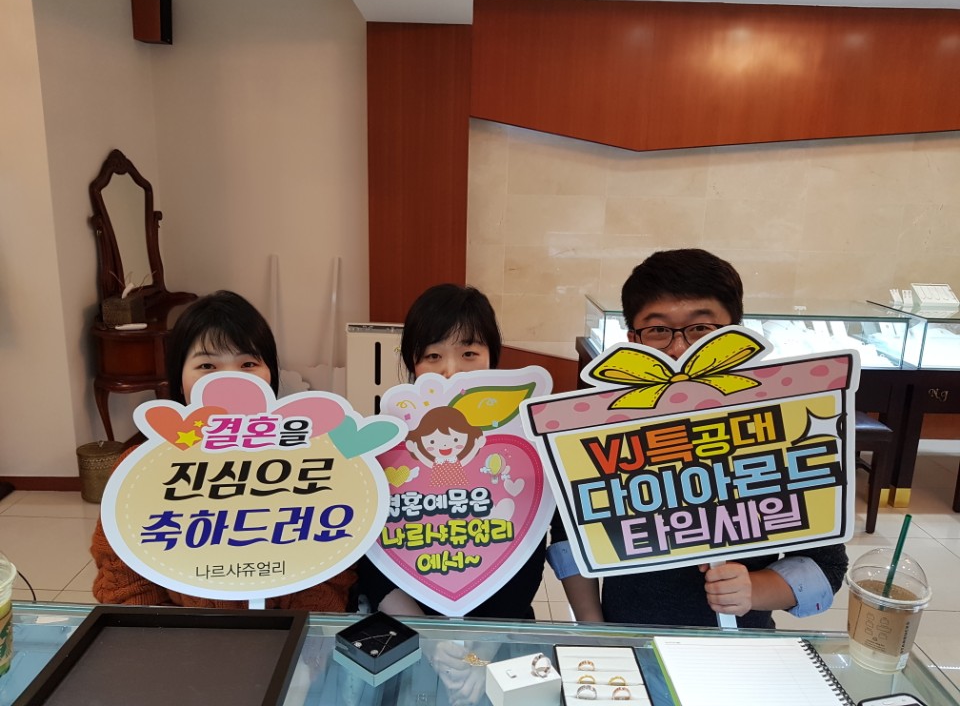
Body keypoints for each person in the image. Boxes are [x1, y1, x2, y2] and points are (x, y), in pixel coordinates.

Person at [549, 249, 849, 629]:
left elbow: (827, 566)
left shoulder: (780, 426)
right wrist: (595, 628)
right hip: (627, 636)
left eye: (701, 328)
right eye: (658, 330)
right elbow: (569, 537)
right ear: (632, 339)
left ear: (735, 330)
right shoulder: (601, 428)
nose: (679, 348)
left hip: (739, 646)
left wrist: (754, 589)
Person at [90, 290, 356, 612]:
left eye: (248, 363)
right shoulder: (138, 470)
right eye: (207, 365)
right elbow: (124, 583)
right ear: (179, 379)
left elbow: (330, 569)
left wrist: (291, 624)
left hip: (286, 629)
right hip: (185, 633)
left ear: (271, 375)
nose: (230, 380)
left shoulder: (313, 462)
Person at [359, 284, 546, 706]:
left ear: (493, 358)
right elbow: (372, 559)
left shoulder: (523, 445)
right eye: (432, 356)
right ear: (412, 362)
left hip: (499, 631)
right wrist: (430, 638)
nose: (451, 371)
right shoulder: (382, 444)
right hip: (405, 629)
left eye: (469, 353)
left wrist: (482, 649)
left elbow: (528, 550)